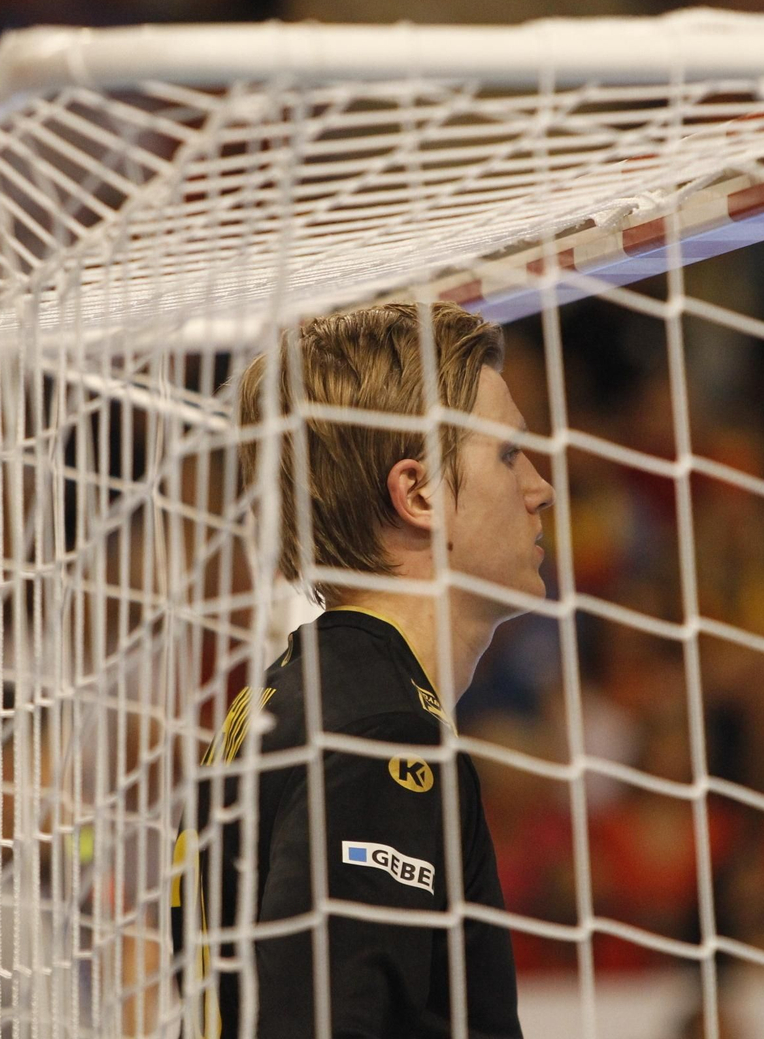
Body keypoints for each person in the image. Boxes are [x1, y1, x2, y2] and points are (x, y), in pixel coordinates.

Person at [170, 302, 553, 1038]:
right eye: (508, 454)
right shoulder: (381, 731)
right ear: (416, 494)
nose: (540, 488)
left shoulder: (297, 693)